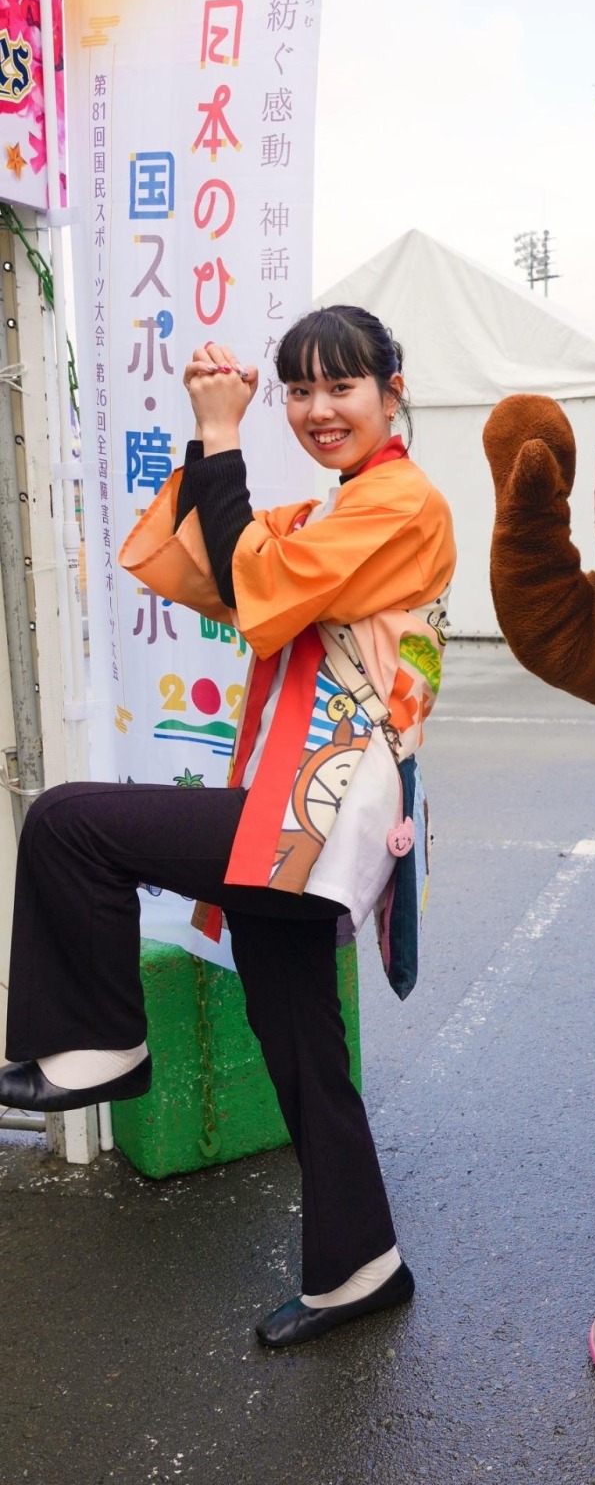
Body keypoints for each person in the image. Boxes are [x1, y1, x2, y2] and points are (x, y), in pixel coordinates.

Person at [0, 306, 455, 1349]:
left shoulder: (400, 502)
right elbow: (218, 568)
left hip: (316, 810)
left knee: (68, 823)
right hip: (304, 805)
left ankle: (99, 1044)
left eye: (340, 385)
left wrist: (218, 434)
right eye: (298, 390)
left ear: (391, 392)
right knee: (302, 1046)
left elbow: (261, 589)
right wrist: (214, 443)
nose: (316, 407)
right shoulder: (343, 508)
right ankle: (362, 1265)